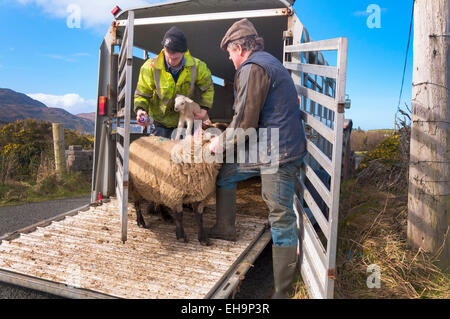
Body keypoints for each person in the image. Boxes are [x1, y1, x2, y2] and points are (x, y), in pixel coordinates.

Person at [207, 19, 307, 299]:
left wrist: (220, 143)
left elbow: (245, 122)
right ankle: (225, 227)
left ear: (240, 47)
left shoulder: (253, 68)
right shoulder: (268, 62)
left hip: (279, 152)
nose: (229, 57)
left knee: (280, 214)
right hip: (270, 145)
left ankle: (282, 290)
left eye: (230, 51)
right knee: (227, 173)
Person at [134, 26, 214, 138]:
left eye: (175, 58)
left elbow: (208, 88)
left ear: (184, 52)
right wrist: (140, 110)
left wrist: (204, 109)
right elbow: (141, 94)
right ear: (163, 48)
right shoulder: (150, 67)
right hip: (159, 125)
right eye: (168, 57)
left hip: (185, 124)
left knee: (184, 154)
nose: (171, 61)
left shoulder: (198, 67)